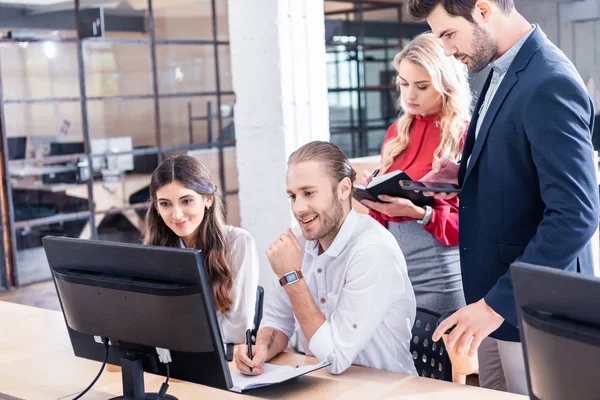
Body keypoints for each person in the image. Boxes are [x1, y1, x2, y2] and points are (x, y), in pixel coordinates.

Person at [407, 0, 599, 394]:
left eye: (448, 34)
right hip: (491, 302)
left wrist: (496, 305)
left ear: (482, 9)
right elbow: (523, 168)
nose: (445, 49)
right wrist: (462, 173)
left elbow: (576, 214)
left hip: (529, 308)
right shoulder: (500, 67)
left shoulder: (550, 81)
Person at [233, 141, 417, 376]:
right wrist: (259, 351)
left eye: (309, 193)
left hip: (384, 390)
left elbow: (335, 358)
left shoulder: (372, 251)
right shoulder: (298, 243)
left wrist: (292, 277)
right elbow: (278, 320)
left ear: (343, 188)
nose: (298, 208)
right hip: (321, 384)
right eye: (292, 196)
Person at [360, 32, 471, 385]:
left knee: (446, 370)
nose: (409, 95)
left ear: (446, 82)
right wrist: (373, 194)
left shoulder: (465, 133)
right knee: (409, 370)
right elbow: (385, 215)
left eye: (422, 86)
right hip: (396, 265)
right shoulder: (397, 132)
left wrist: (421, 213)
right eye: (403, 83)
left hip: (441, 268)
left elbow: (476, 221)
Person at [144, 155, 259, 345]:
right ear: (156, 207)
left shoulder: (238, 242)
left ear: (208, 199)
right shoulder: (155, 250)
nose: (177, 214)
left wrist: (173, 334)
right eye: (165, 203)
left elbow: (238, 330)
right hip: (172, 360)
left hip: (219, 361)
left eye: (186, 201)